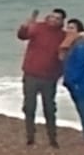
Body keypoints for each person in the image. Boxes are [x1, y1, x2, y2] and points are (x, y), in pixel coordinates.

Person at [17, 8, 67, 147]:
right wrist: (25, 26)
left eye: (57, 18)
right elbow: (22, 35)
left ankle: (52, 138)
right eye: (52, 17)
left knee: (49, 108)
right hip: (31, 73)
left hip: (50, 77)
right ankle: (30, 137)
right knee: (29, 106)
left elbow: (76, 42)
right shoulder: (38, 27)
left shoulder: (63, 35)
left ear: (62, 21)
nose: (53, 20)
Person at [60, 19, 84, 147]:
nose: (69, 30)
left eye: (72, 28)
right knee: (81, 111)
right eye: (68, 27)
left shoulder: (81, 43)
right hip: (72, 82)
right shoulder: (69, 43)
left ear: (79, 30)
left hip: (82, 83)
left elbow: (80, 64)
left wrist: (74, 80)